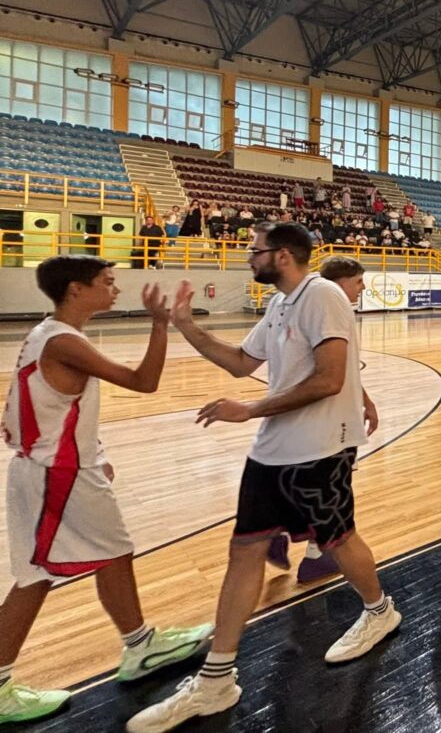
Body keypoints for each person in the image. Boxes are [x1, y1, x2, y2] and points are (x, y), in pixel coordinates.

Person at [128, 224, 400, 732]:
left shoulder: (321, 296)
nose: (249, 257)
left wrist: (250, 409)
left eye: (255, 251)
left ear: (284, 255)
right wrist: (185, 325)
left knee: (339, 540)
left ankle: (379, 610)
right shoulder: (279, 304)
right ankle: (216, 679)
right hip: (273, 448)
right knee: (245, 550)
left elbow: (330, 378)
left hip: (321, 446)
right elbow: (239, 363)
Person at [0, 257, 212, 725]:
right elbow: (144, 382)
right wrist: (160, 324)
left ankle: (138, 644)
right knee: (56, 570)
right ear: (76, 289)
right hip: (58, 472)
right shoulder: (63, 341)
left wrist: (92, 451)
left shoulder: (49, 334)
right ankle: (138, 646)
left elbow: (47, 407)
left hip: (53, 467)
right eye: (106, 282)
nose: (115, 289)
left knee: (84, 562)